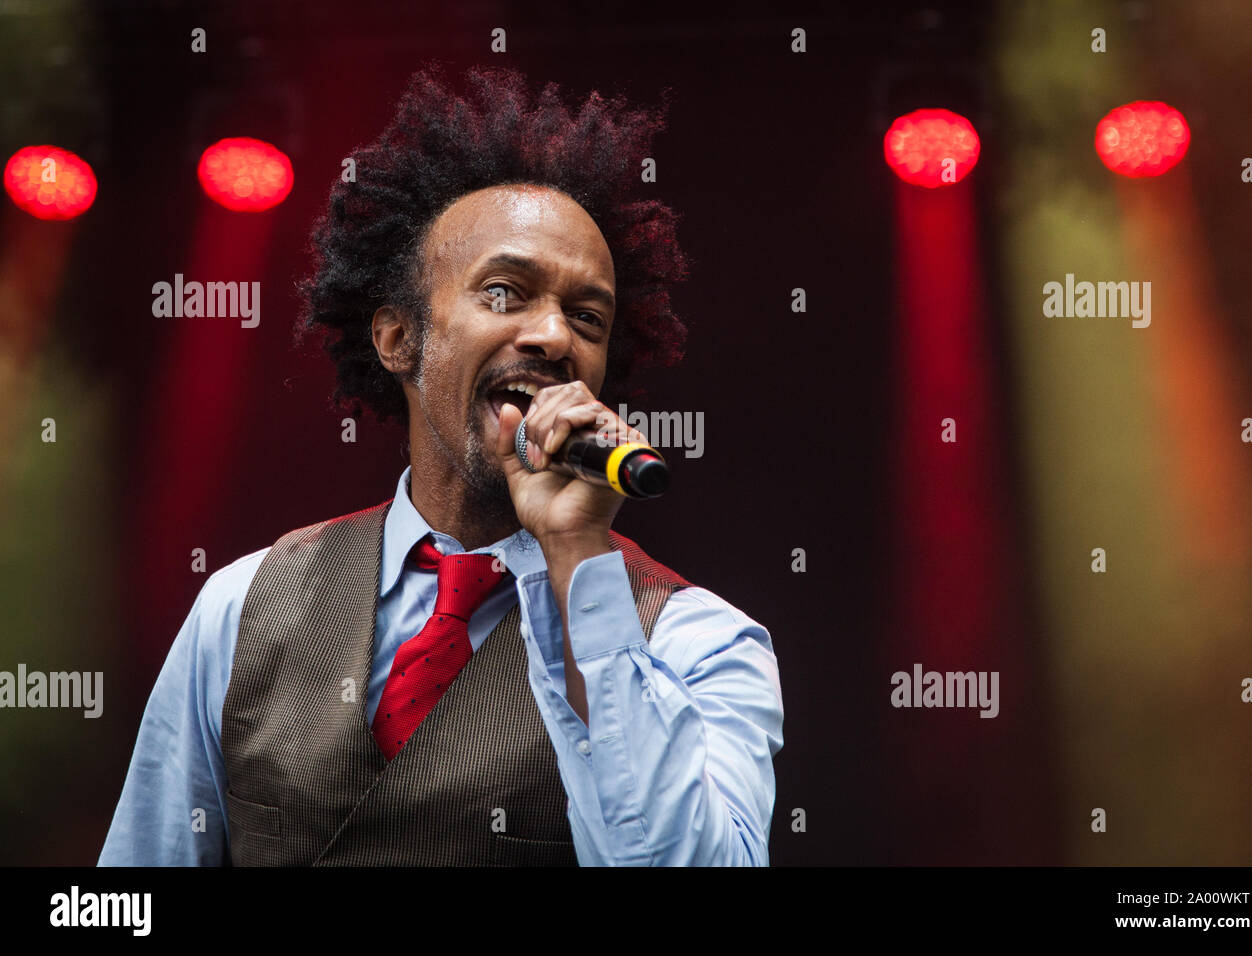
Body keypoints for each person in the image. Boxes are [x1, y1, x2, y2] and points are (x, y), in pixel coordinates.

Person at [98, 62, 783, 866]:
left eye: (587, 316)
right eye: (504, 293)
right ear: (398, 339)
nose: (555, 337)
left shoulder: (698, 641)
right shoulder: (244, 605)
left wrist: (578, 568)